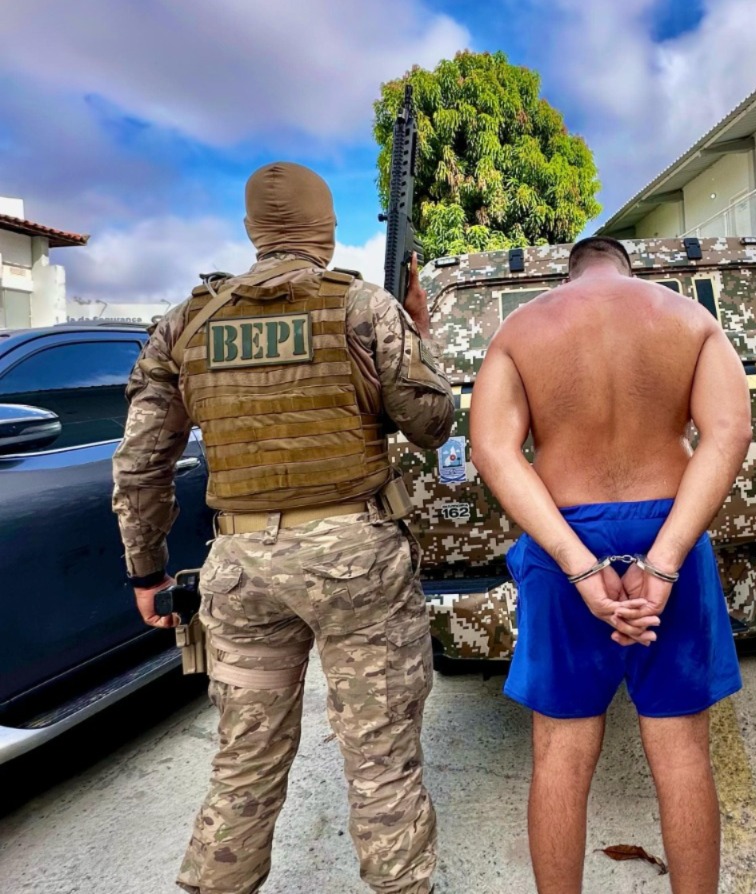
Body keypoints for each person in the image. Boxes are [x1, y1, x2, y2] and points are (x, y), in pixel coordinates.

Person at [112, 161, 454, 894]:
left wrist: (145, 570)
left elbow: (140, 463)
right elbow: (431, 425)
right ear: (326, 229)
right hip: (356, 565)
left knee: (243, 761)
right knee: (381, 760)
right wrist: (419, 335)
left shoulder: (185, 323)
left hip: (240, 568)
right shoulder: (363, 307)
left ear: (252, 232)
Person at [469, 236, 750, 894]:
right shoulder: (689, 319)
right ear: (627, 269)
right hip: (670, 525)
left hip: (563, 531)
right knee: (682, 753)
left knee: (560, 755)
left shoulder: (522, 328)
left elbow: (493, 450)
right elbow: (729, 432)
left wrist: (577, 563)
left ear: (571, 274)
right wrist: (665, 560)